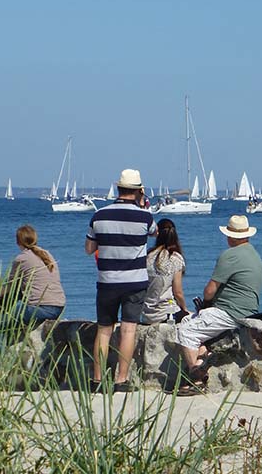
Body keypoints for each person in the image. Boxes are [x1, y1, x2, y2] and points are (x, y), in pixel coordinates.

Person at [85, 168, 157, 392]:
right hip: (135, 282)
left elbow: (89, 249)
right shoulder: (145, 217)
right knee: (128, 330)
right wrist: (143, 204)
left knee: (104, 330)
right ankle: (121, 381)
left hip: (107, 281)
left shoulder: (99, 215)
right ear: (138, 191)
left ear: (118, 188)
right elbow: (154, 233)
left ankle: (97, 380)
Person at [175, 215, 262, 392]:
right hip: (248, 310)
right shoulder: (254, 254)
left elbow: (210, 289)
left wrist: (206, 305)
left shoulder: (230, 255)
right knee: (191, 325)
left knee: (185, 331)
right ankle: (200, 361)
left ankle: (195, 378)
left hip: (230, 311)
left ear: (230, 235)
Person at [4, 224, 66, 326]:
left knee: (13, 312)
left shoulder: (21, 259)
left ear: (18, 242)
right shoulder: (47, 254)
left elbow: (9, 285)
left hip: (42, 308)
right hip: (59, 307)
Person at [141, 219, 189, 325]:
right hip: (166, 314)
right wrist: (185, 310)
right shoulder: (175, 258)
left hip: (147, 315)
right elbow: (178, 292)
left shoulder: (148, 256)